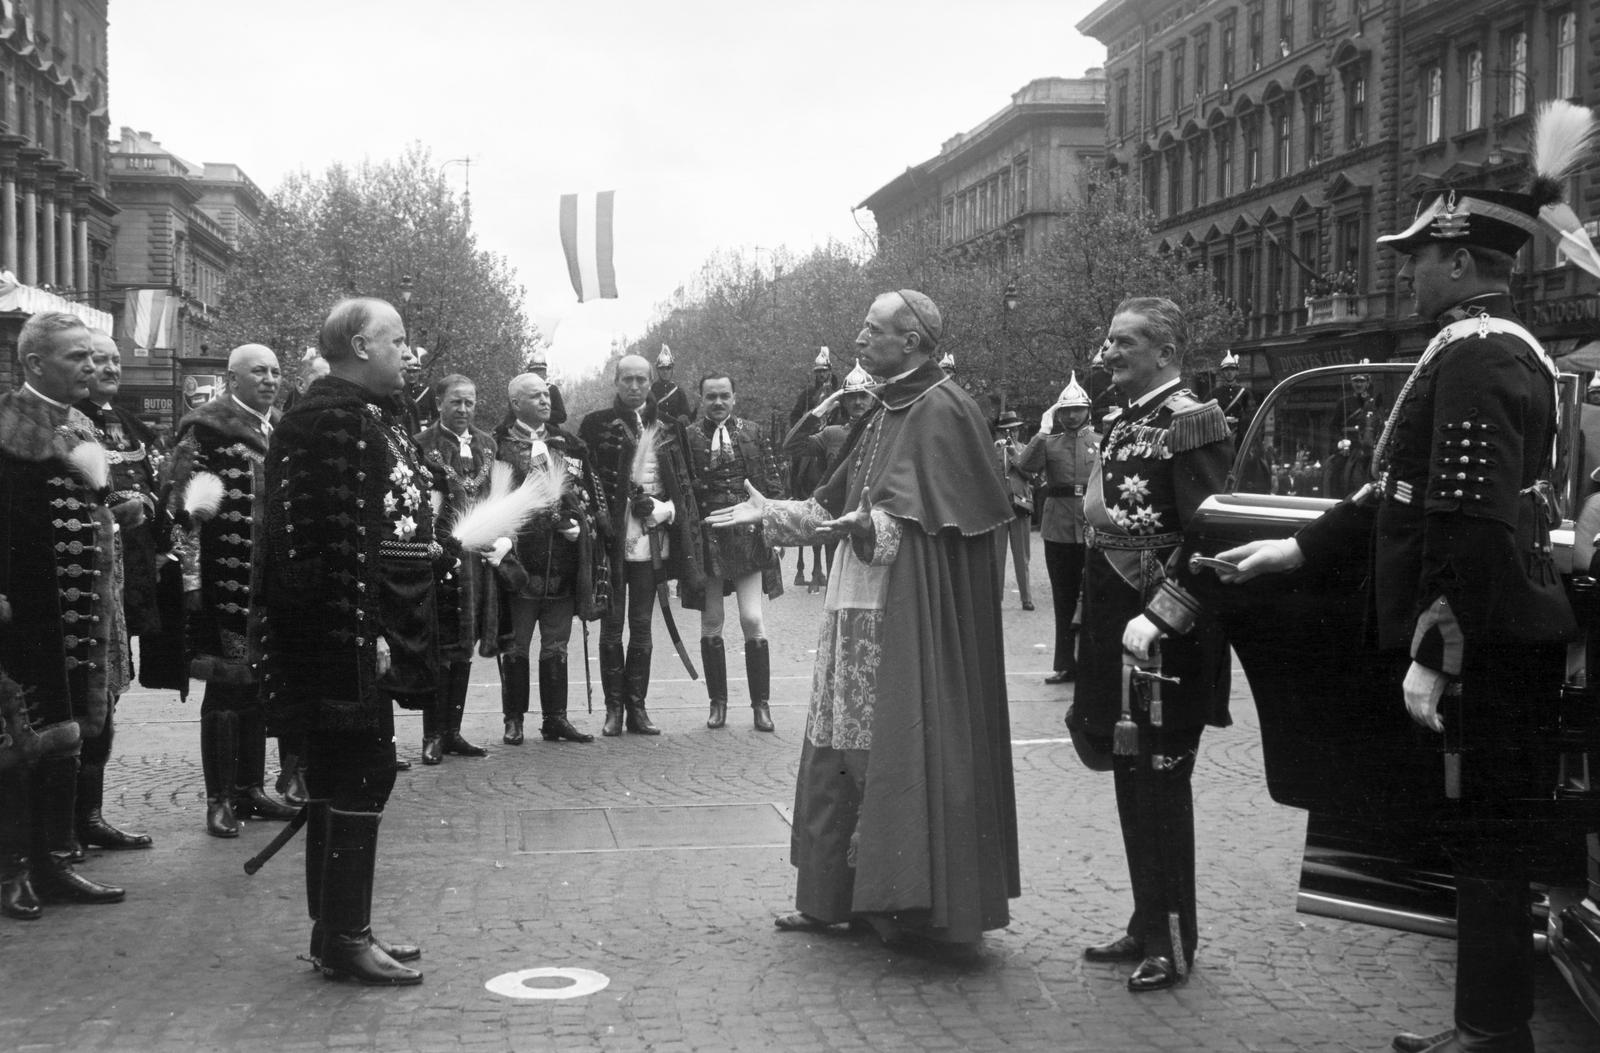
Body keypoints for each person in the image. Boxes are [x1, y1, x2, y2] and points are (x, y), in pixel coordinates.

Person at [1213, 109, 1596, 1051]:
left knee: (1490, 840)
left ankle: (1493, 1030)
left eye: (1419, 254)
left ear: (1460, 260)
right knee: (1478, 837)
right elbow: (1401, 492)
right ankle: (1486, 1022)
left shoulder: (1477, 355)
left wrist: (1433, 650)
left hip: (1489, 637)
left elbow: (1463, 522)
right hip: (1501, 629)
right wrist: (1299, 550)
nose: (1406, 267)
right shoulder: (1484, 350)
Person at [708, 290, 1019, 948]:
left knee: (895, 746)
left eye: (871, 329)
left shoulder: (945, 410)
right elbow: (834, 504)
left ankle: (906, 900)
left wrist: (866, 526)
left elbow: (926, 528)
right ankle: (834, 898)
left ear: (910, 342)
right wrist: (775, 513)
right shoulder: (881, 408)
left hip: (907, 614)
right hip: (854, 604)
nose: (857, 338)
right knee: (841, 747)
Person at [259, 297, 435, 985]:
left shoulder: (364, 417)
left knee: (350, 773)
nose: (408, 351)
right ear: (361, 346)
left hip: (364, 628)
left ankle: (336, 927)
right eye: (397, 340)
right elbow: (325, 549)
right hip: (342, 636)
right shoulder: (328, 420)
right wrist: (364, 639)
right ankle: (344, 935)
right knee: (360, 769)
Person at [1068, 297, 1234, 993]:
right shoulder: (1122, 418)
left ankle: (1172, 941)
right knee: (1133, 782)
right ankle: (1145, 919)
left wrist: (1166, 615)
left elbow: (1210, 534)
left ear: (1165, 352)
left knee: (1162, 785)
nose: (1108, 352)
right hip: (1117, 627)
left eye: (1124, 342)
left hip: (1166, 639)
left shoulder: (1191, 420)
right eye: (1108, 340)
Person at [0, 312, 127, 917]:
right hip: (18, 612)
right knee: (17, 739)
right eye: (77, 357)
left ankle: (53, 859)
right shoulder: (5, 427)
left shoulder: (80, 425)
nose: (91, 367)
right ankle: (12, 870)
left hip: (75, 613)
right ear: (34, 364)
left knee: (67, 731)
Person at [167, 344, 300, 837]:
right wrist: (192, 581)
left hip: (271, 582)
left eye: (275, 371)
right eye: (258, 371)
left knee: (258, 686)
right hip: (226, 581)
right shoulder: (207, 426)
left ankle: (250, 789)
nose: (269, 379)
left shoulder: (281, 426)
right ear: (232, 378)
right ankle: (219, 800)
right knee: (225, 688)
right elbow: (181, 505)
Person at [578, 355, 702, 737]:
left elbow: (681, 486)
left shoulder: (669, 426)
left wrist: (662, 509)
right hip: (613, 542)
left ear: (651, 382)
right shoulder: (595, 425)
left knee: (642, 626)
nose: (634, 386)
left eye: (641, 380)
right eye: (627, 379)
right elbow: (586, 480)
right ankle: (613, 709)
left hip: (653, 540)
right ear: (615, 382)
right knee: (612, 627)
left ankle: (638, 708)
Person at [73, 330, 163, 853]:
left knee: (107, 697)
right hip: (80, 576)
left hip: (128, 577)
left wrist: (145, 504)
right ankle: (63, 822)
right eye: (94, 359)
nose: (106, 368)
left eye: (112, 360)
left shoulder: (130, 424)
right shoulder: (68, 420)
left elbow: (153, 484)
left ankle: (90, 814)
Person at [487, 372, 605, 746]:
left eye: (546, 394)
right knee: (517, 645)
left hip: (564, 562)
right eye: (535, 396)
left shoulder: (569, 445)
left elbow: (586, 492)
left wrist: (579, 525)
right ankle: (514, 720)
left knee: (557, 644)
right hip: (521, 562)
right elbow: (491, 502)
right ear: (516, 403)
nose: (545, 400)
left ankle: (556, 719)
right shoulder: (499, 445)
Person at [682, 371, 783, 732]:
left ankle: (761, 705)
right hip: (707, 540)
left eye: (724, 395)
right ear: (701, 398)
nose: (718, 402)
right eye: (711, 396)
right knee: (712, 622)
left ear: (734, 397)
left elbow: (772, 484)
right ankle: (718, 704)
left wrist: (774, 526)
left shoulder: (754, 432)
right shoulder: (689, 436)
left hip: (749, 537)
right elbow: (684, 492)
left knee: (752, 619)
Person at [411, 374, 494, 764]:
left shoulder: (487, 445)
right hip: (438, 559)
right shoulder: (421, 445)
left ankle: (453, 731)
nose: (463, 410)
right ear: (439, 403)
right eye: (456, 402)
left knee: (464, 648)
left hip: (478, 563)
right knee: (439, 648)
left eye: (470, 403)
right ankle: (432, 735)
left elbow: (495, 498)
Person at [1019, 373, 1097, 684]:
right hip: (1058, 527)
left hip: (1092, 524)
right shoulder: (1049, 444)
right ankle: (1066, 663)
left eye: (1077, 409)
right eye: (1066, 410)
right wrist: (1042, 430)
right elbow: (1024, 467)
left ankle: (1091, 663)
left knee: (1093, 596)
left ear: (1088, 411)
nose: (1072, 415)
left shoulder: (1100, 443)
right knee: (1063, 597)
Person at [781, 359, 878, 585]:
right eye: (851, 397)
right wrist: (823, 408)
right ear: (843, 402)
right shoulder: (832, 434)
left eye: (863, 395)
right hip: (838, 519)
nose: (857, 402)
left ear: (873, 398)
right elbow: (792, 446)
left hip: (874, 519)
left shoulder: (884, 429)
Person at [787, 346, 841, 588]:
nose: (821, 375)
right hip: (812, 441)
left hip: (830, 439)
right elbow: (794, 417)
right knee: (798, 463)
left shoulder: (838, 393)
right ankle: (795, 491)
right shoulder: (808, 394)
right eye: (818, 372)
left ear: (829, 371)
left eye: (824, 371)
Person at [993, 410, 1036, 610]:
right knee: (997, 555)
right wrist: (996, 452)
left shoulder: (1025, 450)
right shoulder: (990, 451)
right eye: (1006, 431)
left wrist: (1014, 455)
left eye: (1014, 430)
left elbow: (1031, 474)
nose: (1011, 434)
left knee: (1022, 556)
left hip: (1020, 507)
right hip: (999, 510)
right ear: (1000, 433)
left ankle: (1026, 598)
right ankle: (996, 598)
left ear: (1019, 431)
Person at [1209, 351, 1254, 438]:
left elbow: (1250, 415)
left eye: (1232, 369)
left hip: (1239, 435)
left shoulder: (1245, 393)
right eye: (1226, 370)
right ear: (1222, 373)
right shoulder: (1214, 393)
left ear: (1237, 372)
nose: (1229, 372)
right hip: (1219, 435)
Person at [650, 344, 693, 425]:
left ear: (672, 369)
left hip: (676, 432)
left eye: (668, 368)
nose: (665, 371)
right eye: (662, 368)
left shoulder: (679, 392)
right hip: (655, 433)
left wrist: (684, 417)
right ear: (658, 370)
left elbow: (687, 416)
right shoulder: (651, 391)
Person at [525, 346, 568, 427]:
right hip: (525, 431)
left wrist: (542, 413)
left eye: (541, 371)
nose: (538, 374)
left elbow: (562, 416)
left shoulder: (552, 390)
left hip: (549, 431)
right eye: (535, 372)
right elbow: (513, 413)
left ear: (545, 374)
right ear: (529, 374)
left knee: (566, 438)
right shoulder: (521, 391)